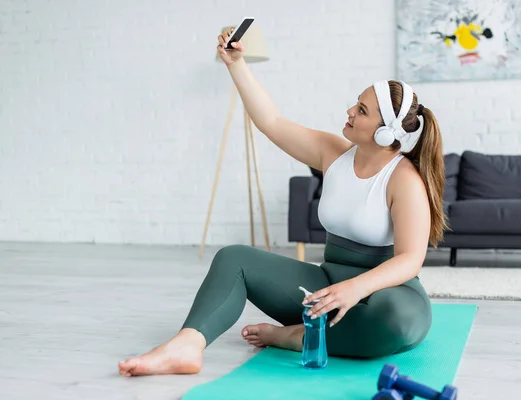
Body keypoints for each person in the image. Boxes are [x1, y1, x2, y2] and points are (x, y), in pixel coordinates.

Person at [118, 26, 447, 377]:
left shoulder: (404, 180)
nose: (350, 110)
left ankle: (295, 337)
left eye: (362, 110)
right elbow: (271, 122)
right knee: (234, 259)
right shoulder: (332, 152)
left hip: (385, 295)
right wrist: (236, 65)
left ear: (384, 133)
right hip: (325, 286)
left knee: (394, 321)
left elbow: (411, 259)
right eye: (357, 102)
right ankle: (187, 345)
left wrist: (355, 288)